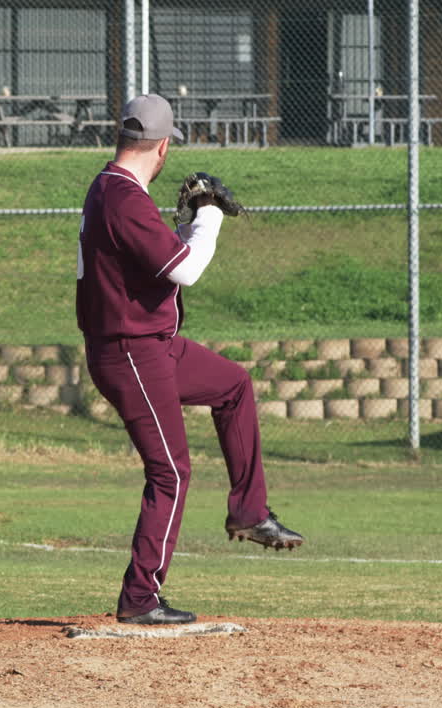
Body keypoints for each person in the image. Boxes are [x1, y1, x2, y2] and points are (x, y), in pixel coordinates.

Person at [76, 94, 305, 626]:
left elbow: (155, 260)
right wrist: (209, 216)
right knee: (171, 473)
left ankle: (250, 512)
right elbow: (186, 271)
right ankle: (139, 598)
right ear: (161, 148)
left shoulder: (114, 190)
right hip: (131, 351)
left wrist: (187, 230)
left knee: (233, 385)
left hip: (152, 345)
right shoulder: (123, 197)